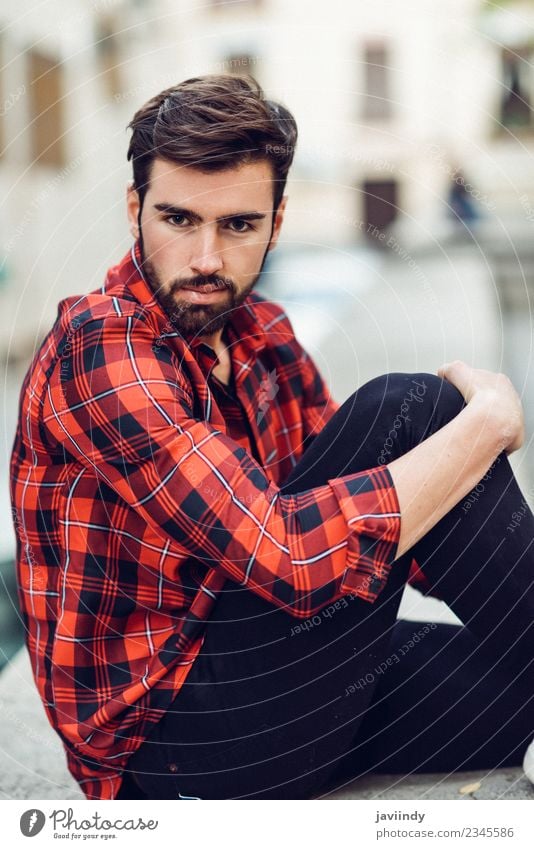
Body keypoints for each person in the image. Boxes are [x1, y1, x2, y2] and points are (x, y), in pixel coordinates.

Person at [9, 74, 534, 802]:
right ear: (135, 211)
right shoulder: (100, 350)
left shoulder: (266, 341)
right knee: (412, 410)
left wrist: (491, 550)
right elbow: (289, 553)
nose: (205, 259)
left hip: (292, 688)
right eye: (179, 219)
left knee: (516, 679)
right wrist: (485, 425)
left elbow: (403, 532)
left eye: (238, 225)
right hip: (175, 746)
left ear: (275, 224)